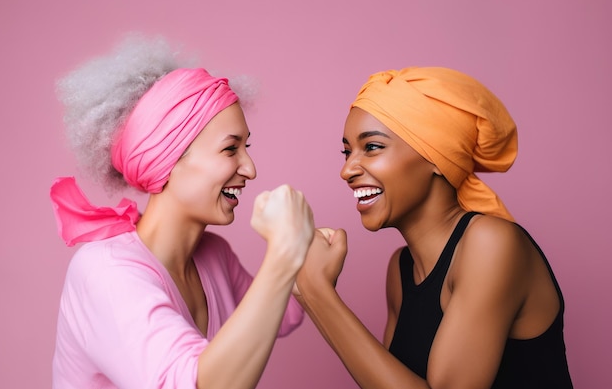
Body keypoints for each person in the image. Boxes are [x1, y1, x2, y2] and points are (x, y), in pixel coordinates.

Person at [49, 35, 315, 389]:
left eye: (245, 147)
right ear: (168, 160)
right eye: (230, 149)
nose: (250, 169)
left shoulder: (213, 254)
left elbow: (280, 312)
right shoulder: (104, 271)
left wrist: (313, 254)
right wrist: (284, 252)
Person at [295, 67, 573, 389]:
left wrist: (319, 292)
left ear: (435, 157)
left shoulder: (492, 243)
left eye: (371, 147)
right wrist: (305, 291)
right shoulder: (401, 269)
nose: (346, 170)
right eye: (347, 151)